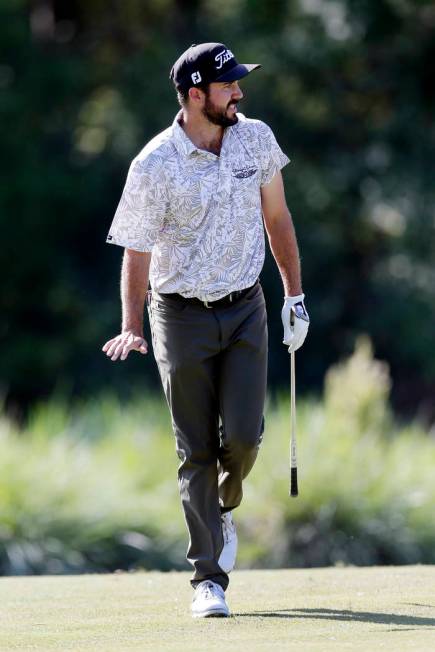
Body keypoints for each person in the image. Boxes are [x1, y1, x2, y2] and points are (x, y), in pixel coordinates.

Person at [102, 42, 309, 618]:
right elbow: (136, 250)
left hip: (247, 306)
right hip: (180, 314)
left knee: (243, 437)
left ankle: (224, 507)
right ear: (196, 95)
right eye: (228, 86)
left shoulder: (255, 137)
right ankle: (207, 580)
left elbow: (277, 217)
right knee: (194, 447)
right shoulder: (154, 164)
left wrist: (295, 294)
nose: (239, 92)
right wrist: (131, 324)